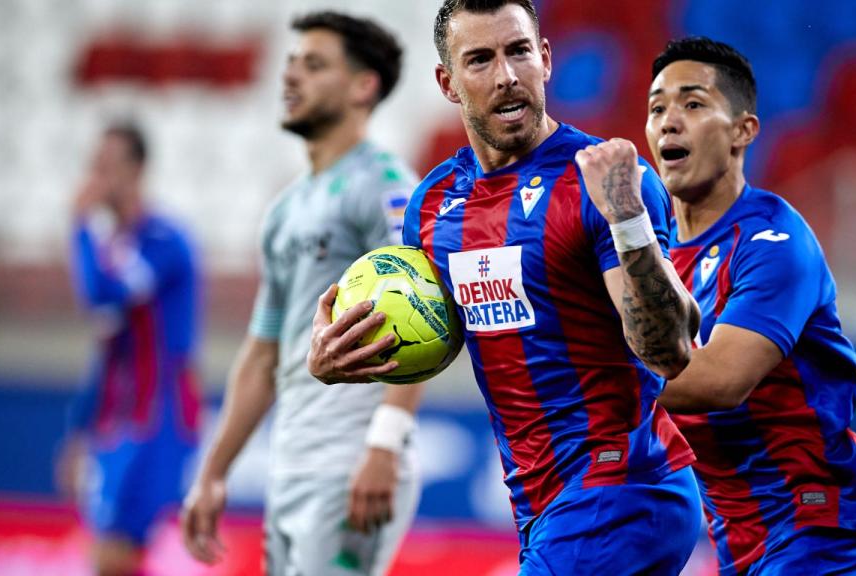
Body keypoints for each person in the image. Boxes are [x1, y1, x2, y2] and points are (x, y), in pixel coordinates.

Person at [308, 1, 703, 574]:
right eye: (480, 59)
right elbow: (432, 330)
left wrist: (627, 221)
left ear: (545, 59)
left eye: (519, 51)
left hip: (626, 487)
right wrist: (340, 356)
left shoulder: (605, 182)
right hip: (540, 503)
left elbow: (668, 352)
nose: (506, 75)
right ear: (447, 82)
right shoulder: (435, 205)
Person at [180, 11, 423, 576]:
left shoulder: (385, 186)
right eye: (291, 62)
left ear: (364, 86)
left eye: (314, 65)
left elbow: (424, 317)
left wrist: (384, 445)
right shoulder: (286, 209)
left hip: (349, 459)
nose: (291, 76)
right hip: (290, 464)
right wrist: (214, 471)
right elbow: (264, 351)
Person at [646, 37, 856, 574]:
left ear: (743, 131)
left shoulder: (774, 242)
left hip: (824, 537)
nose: (669, 121)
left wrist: (582, 375)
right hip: (741, 541)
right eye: (657, 107)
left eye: (692, 104)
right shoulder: (654, 256)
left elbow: (719, 384)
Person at [56, 122, 203, 576]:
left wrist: (79, 225)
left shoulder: (163, 241)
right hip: (117, 420)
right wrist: (80, 429)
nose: (98, 177)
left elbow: (103, 293)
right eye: (95, 165)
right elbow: (107, 350)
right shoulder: (116, 246)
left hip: (159, 415)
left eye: (110, 166)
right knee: (109, 553)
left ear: (138, 170)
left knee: (115, 553)